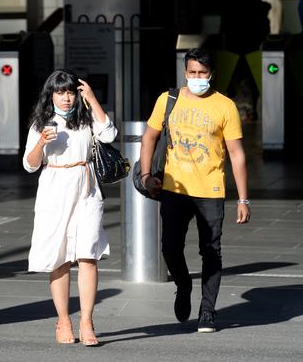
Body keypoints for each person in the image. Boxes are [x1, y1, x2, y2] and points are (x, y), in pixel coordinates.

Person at [139, 48, 250, 333]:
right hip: (175, 187)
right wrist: (146, 174)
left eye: (202, 73)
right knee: (169, 246)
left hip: (211, 189)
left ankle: (208, 312)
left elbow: (237, 153)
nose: (197, 78)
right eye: (192, 73)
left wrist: (242, 198)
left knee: (211, 250)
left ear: (211, 74)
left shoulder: (224, 106)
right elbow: (149, 136)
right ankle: (184, 284)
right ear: (185, 72)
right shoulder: (168, 100)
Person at [23, 69, 116, 346]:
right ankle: (64, 320)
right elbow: (29, 165)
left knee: (88, 254)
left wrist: (93, 99)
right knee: (59, 256)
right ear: (50, 95)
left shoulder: (86, 117)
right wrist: (41, 143)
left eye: (70, 92)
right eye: (60, 92)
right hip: (54, 187)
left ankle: (87, 321)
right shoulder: (42, 123)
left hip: (86, 186)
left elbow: (109, 134)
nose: (66, 98)